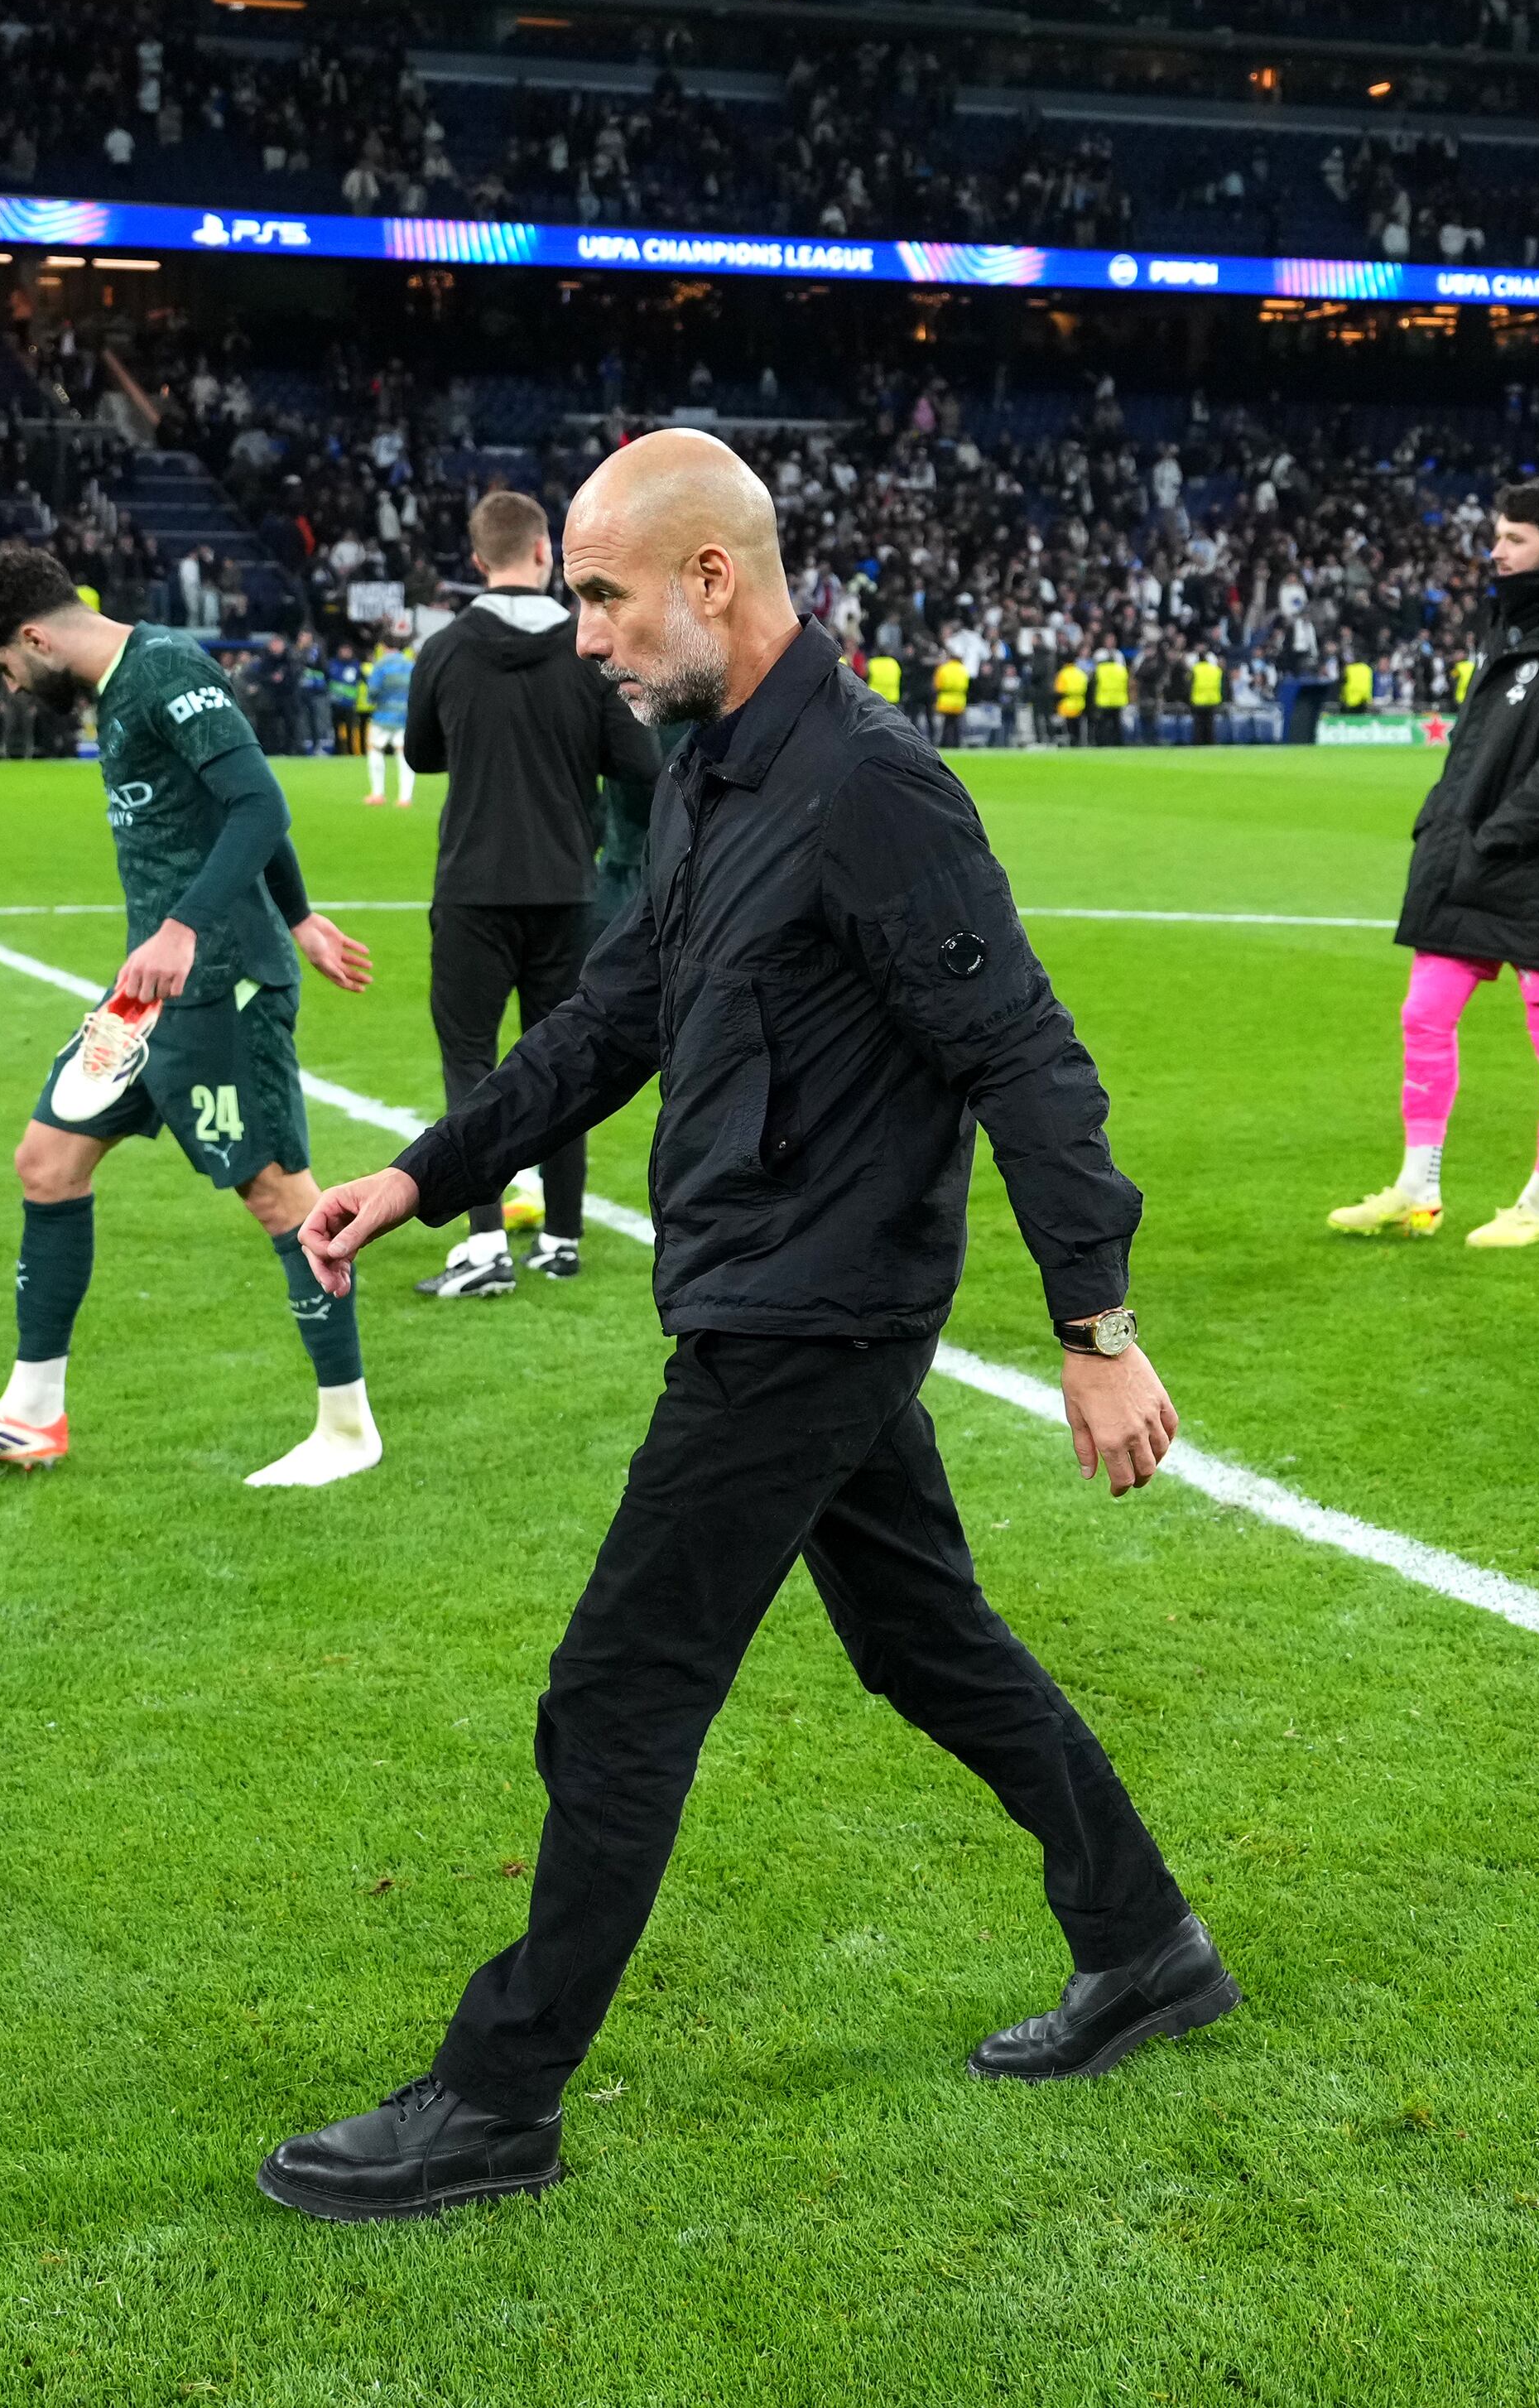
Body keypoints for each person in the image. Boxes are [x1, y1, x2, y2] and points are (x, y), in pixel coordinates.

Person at [271, 429, 1227, 2224]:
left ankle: (499, 2097)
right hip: (774, 1289)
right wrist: (419, 1175)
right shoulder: (711, 773)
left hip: (810, 1316)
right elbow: (605, 1021)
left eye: (607, 599)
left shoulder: (872, 789)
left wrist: (1095, 1325)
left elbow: (1022, 1054)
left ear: (715, 578)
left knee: (618, 1689)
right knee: (925, 1644)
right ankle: (1145, 1941)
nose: (585, 641)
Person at [0, 547, 387, 1489]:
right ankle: (32, 1411)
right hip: (151, 995)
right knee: (46, 1162)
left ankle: (346, 1427)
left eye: (6, 665)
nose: (9, 684)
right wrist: (299, 913)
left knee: (282, 1198)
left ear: (36, 636)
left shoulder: (162, 668)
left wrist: (191, 927)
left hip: (220, 984)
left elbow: (258, 800)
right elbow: (231, 809)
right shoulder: (124, 685)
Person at [1329, 476, 1539, 1252]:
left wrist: (1495, 833)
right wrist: (1443, 820)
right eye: (1497, 536)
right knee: (1424, 1014)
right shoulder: (1512, 623)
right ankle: (1417, 1189)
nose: (1496, 550)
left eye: (1514, 539)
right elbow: (1476, 748)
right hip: (1474, 855)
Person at [401, 489, 658, 1300]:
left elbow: (419, 755)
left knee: (470, 1059)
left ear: (477, 561)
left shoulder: (443, 650)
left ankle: (483, 1247)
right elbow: (640, 764)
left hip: (472, 884)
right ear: (545, 553)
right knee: (561, 1060)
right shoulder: (585, 654)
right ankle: (562, 1235)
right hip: (563, 885)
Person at [363, 628, 416, 806]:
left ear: (383, 646)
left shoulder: (381, 665)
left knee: (375, 751)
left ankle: (378, 793)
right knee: (403, 755)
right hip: (405, 715)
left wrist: (372, 700)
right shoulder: (410, 664)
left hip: (383, 716)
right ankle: (405, 798)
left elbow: (374, 691)